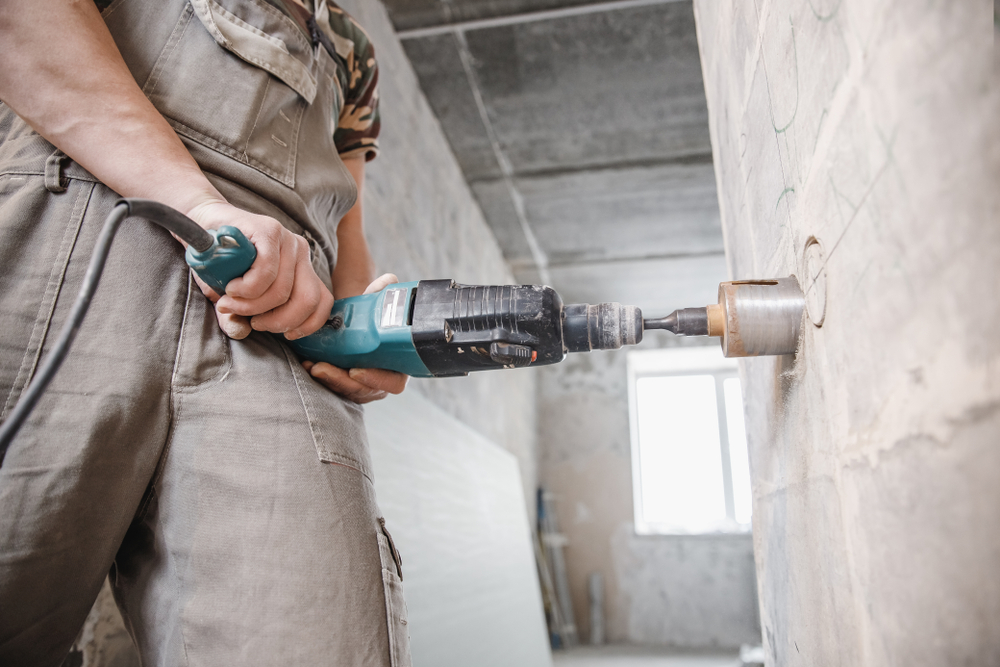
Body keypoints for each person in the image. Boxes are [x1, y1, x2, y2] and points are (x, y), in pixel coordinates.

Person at [0, 0, 412, 664]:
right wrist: (198, 207)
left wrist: (360, 328)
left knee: (312, 634)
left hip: (274, 324)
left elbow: (346, 229)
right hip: (78, 240)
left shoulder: (354, 53)